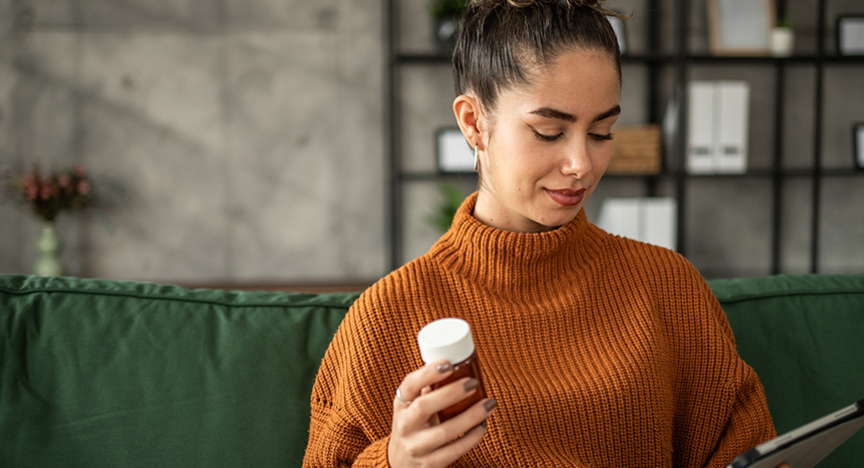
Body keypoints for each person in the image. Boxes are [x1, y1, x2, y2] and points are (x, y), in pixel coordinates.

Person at [303, 0, 778, 466]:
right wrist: (396, 462)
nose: (582, 165)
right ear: (473, 123)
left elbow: (742, 448)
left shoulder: (666, 285)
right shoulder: (388, 316)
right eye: (550, 131)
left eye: (601, 132)